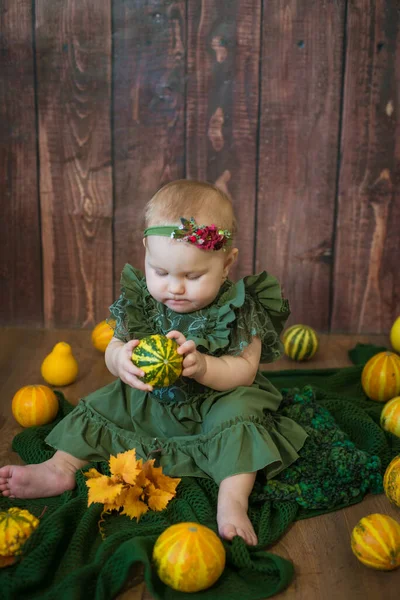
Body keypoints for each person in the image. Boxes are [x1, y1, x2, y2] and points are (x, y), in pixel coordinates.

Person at [0, 180, 307, 546]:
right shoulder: (143, 302)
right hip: (153, 397)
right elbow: (114, 347)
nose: (174, 288)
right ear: (146, 251)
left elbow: (245, 370)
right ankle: (61, 467)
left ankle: (232, 500)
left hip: (219, 399)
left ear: (227, 263)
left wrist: (205, 367)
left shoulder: (240, 308)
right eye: (161, 272)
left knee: (240, 421)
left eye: (193, 277)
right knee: (104, 402)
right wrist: (120, 361)